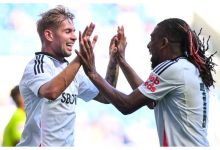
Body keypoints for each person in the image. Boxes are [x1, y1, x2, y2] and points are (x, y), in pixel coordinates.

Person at [76, 18, 217, 146]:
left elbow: (127, 105)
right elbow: (150, 101)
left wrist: (92, 73)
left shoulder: (172, 68)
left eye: (152, 39)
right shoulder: (188, 68)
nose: (149, 45)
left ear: (163, 43)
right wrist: (120, 59)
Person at [17, 5, 119, 147]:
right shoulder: (37, 65)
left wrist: (114, 61)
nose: (74, 37)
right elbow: (51, 92)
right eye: (67, 31)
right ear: (49, 35)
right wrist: (80, 58)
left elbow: (107, 97)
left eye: (73, 32)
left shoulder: (71, 71)